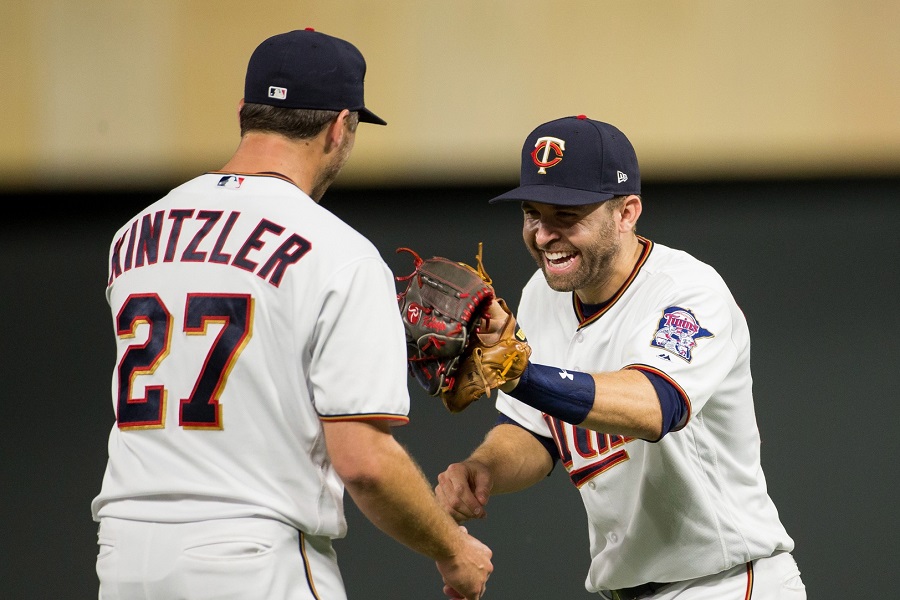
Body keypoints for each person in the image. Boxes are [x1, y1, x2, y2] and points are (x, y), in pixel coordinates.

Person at [91, 28, 491, 600]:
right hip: (250, 559)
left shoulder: (134, 235)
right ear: (340, 127)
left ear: (243, 114)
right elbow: (364, 464)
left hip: (124, 555)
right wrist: (453, 550)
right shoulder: (340, 254)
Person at [434, 115, 806, 599]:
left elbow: (654, 407)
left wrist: (520, 375)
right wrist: (483, 468)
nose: (545, 235)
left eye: (566, 216)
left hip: (727, 583)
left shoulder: (687, 292)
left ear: (627, 213)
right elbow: (535, 432)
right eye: (532, 214)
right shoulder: (542, 296)